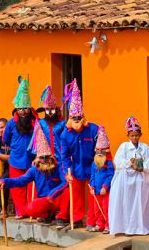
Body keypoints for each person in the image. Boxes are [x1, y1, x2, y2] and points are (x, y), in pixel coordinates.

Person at [0, 122, 69, 229]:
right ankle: (47, 216)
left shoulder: (58, 166)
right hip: (44, 201)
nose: (44, 160)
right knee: (30, 208)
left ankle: (62, 217)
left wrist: (52, 194)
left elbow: (65, 182)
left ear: (51, 157)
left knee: (67, 192)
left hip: (56, 198)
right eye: (42, 157)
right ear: (37, 158)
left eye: (46, 157)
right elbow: (20, 181)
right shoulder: (34, 170)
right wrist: (5, 181)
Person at [109, 117, 149, 235]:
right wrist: (130, 162)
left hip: (142, 180)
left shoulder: (145, 148)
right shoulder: (123, 147)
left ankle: (142, 225)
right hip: (127, 181)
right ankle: (128, 227)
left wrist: (143, 166)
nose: (134, 138)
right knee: (128, 204)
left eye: (136, 135)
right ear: (128, 135)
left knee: (141, 204)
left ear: (140, 135)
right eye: (132, 136)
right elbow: (118, 162)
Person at [61, 79, 98, 229]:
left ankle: (92, 221)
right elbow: (64, 156)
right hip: (75, 167)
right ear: (70, 119)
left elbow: (100, 148)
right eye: (73, 118)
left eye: (78, 118)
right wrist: (67, 172)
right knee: (76, 194)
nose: (76, 121)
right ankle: (76, 219)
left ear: (83, 118)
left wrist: (98, 165)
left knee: (93, 194)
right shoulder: (65, 134)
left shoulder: (93, 129)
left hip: (92, 167)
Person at [3, 78, 37, 219]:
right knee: (17, 189)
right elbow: (6, 140)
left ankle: (32, 211)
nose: (22, 112)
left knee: (32, 188)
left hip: (32, 161)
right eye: (20, 109)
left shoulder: (36, 123)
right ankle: (20, 211)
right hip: (16, 160)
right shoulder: (11, 123)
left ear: (29, 109)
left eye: (25, 108)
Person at [88, 125, 114, 234]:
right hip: (96, 191)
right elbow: (92, 176)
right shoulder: (94, 163)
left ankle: (108, 225)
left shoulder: (109, 163)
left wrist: (105, 186)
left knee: (106, 208)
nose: (99, 152)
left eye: (102, 150)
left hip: (105, 191)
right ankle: (100, 224)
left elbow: (110, 175)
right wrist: (92, 187)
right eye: (98, 150)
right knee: (97, 208)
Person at [37, 86, 65, 162]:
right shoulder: (40, 123)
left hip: (60, 158)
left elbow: (66, 140)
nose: (49, 112)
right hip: (45, 159)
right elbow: (37, 141)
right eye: (47, 110)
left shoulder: (62, 124)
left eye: (52, 109)